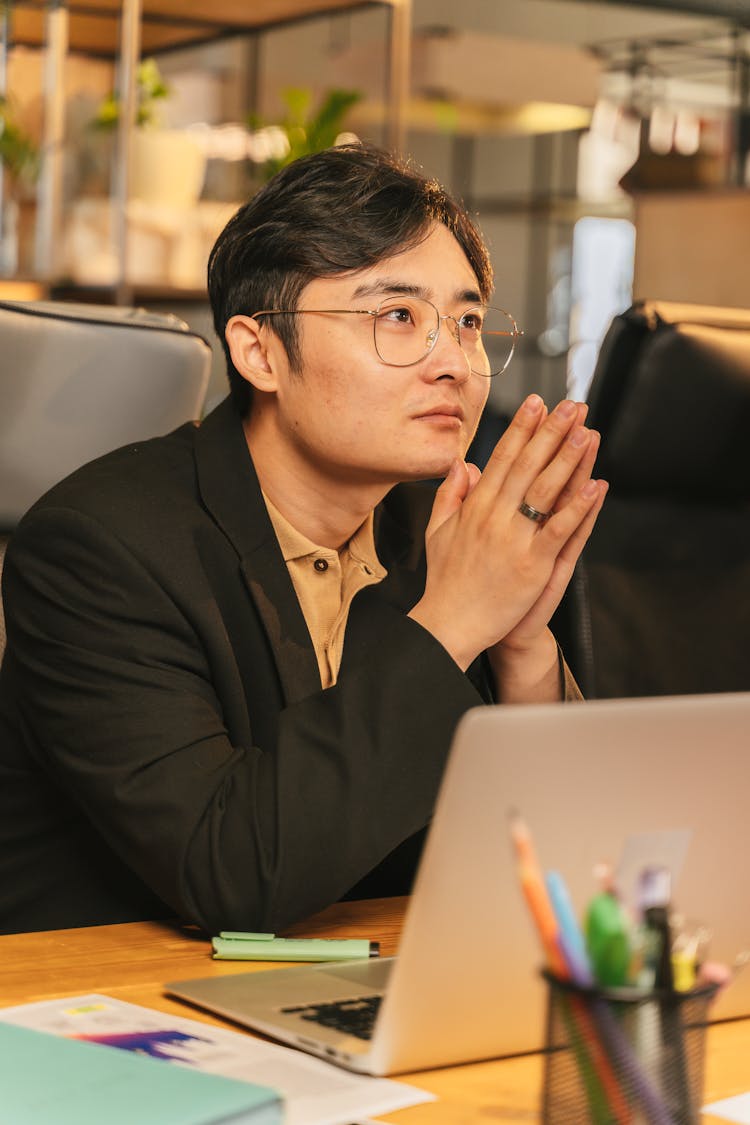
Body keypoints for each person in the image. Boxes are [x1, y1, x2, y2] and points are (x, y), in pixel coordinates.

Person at [0, 143, 606, 936]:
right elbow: (228, 873)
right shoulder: (97, 550)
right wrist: (454, 620)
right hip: (106, 1016)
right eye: (398, 317)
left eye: (465, 322)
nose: (454, 361)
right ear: (259, 352)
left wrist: (522, 646)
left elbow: (568, 875)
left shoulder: (445, 528)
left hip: (361, 986)